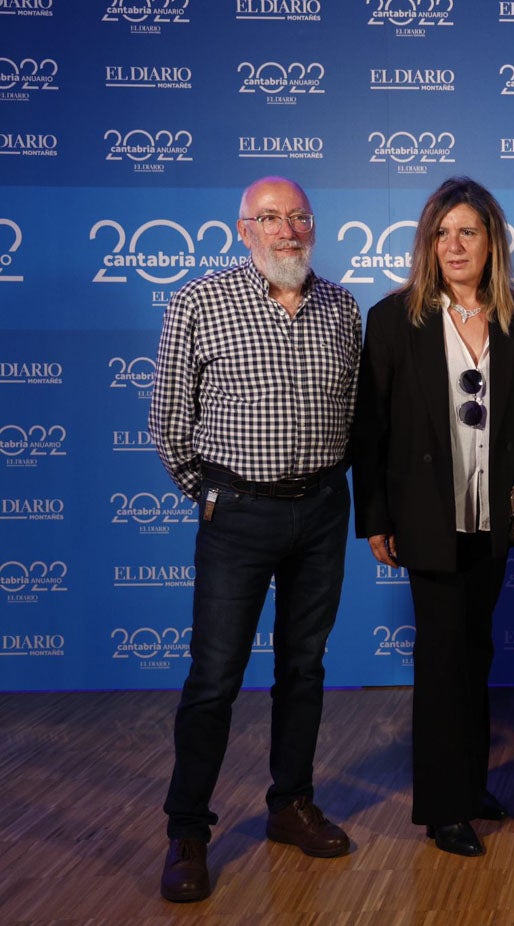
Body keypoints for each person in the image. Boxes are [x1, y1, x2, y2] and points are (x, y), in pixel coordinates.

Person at [149, 177, 361, 903]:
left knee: (303, 667)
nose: (287, 231)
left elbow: (356, 410)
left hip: (323, 508)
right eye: (269, 219)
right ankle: (186, 831)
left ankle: (290, 805)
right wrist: (212, 495)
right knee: (213, 680)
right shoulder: (199, 302)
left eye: (299, 216)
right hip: (237, 513)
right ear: (244, 231)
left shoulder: (341, 307)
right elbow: (169, 420)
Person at [352, 178, 514, 858]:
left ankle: (470, 784)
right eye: (442, 233)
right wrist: (375, 517)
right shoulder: (392, 319)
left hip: (493, 517)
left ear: (491, 240)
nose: (455, 245)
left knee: (475, 650)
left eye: (468, 231)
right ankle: (442, 809)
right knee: (441, 659)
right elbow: (370, 431)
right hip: (425, 518)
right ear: (426, 245)